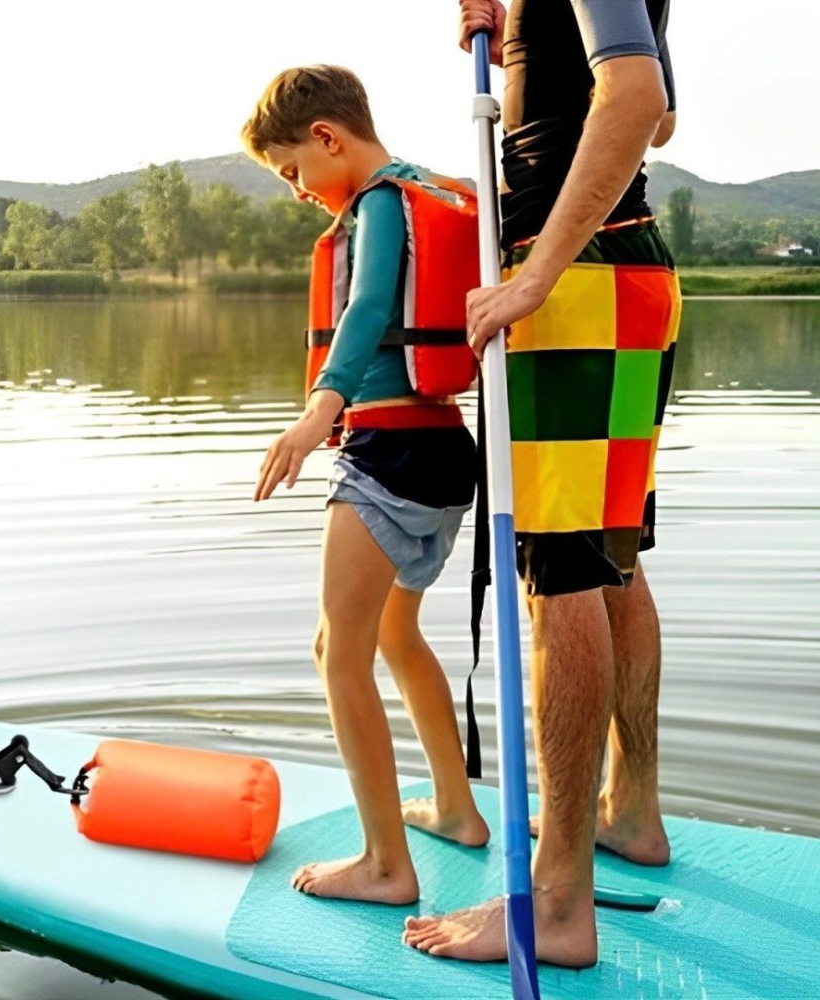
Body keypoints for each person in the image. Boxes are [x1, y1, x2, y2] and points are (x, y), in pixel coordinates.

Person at [402, 0, 680, 967]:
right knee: (609, 563)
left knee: (558, 577)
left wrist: (535, 273)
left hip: (575, 284)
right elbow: (659, 110)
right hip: (622, 270)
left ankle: (557, 907)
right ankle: (629, 812)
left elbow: (635, 99)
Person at [242, 65, 489, 905]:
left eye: (293, 172)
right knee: (393, 635)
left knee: (333, 651)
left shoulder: (382, 203)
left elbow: (367, 304)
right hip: (442, 449)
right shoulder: (429, 192)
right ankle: (457, 810)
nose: (299, 192)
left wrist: (319, 415)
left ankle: (385, 865)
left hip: (387, 449)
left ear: (326, 138)